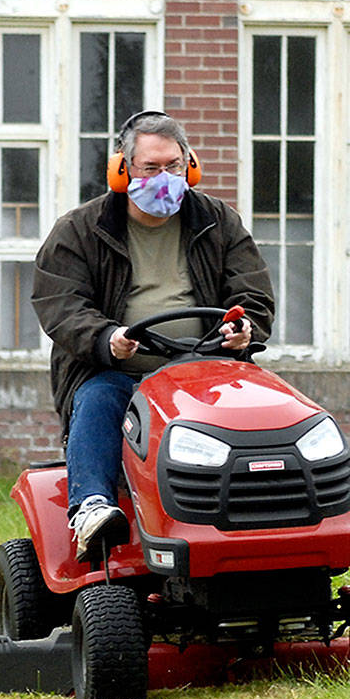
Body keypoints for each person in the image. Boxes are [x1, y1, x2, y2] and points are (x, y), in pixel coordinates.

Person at [31, 110, 274, 561]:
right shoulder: (79, 231)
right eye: (150, 167)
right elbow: (60, 306)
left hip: (206, 374)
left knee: (267, 412)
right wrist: (107, 338)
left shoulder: (219, 222)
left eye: (173, 166)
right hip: (118, 373)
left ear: (190, 166)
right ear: (122, 169)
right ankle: (91, 509)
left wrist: (246, 330)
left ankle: (270, 516)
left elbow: (254, 294)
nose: (164, 178)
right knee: (99, 398)